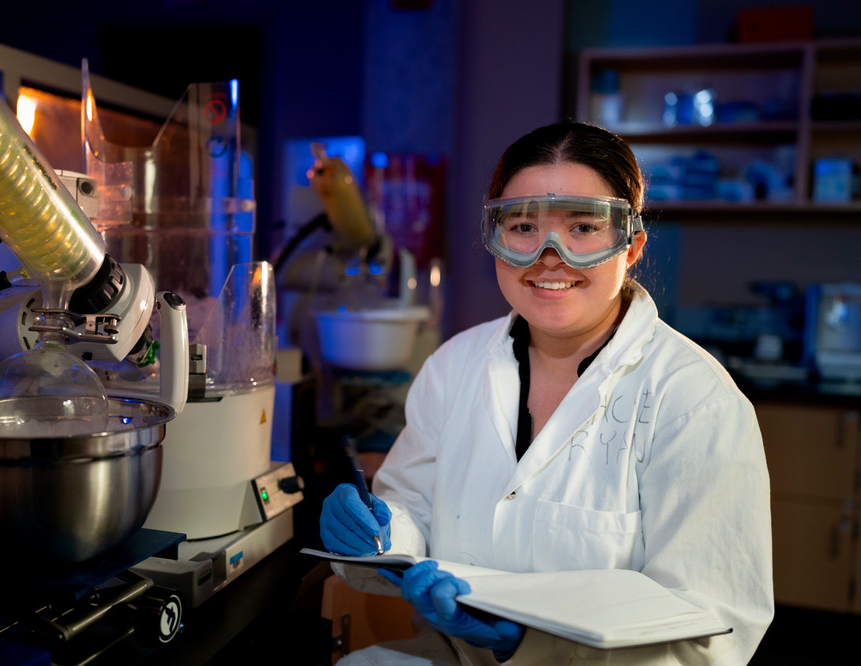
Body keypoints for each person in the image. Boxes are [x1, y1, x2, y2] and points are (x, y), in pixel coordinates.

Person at [318, 122, 773, 665]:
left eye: (582, 227)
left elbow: (713, 636)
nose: (548, 255)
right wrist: (379, 533)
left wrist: (532, 644)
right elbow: (414, 510)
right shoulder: (453, 366)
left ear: (631, 247)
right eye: (523, 226)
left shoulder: (696, 403)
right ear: (494, 236)